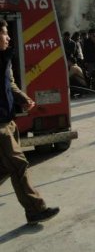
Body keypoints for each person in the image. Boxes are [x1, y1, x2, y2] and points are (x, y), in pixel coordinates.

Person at [0, 19, 60, 225]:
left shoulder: (4, 59)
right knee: (18, 164)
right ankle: (35, 209)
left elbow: (11, 85)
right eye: (5, 33)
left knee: (5, 167)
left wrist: (23, 98)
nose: (8, 37)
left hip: (8, 121)